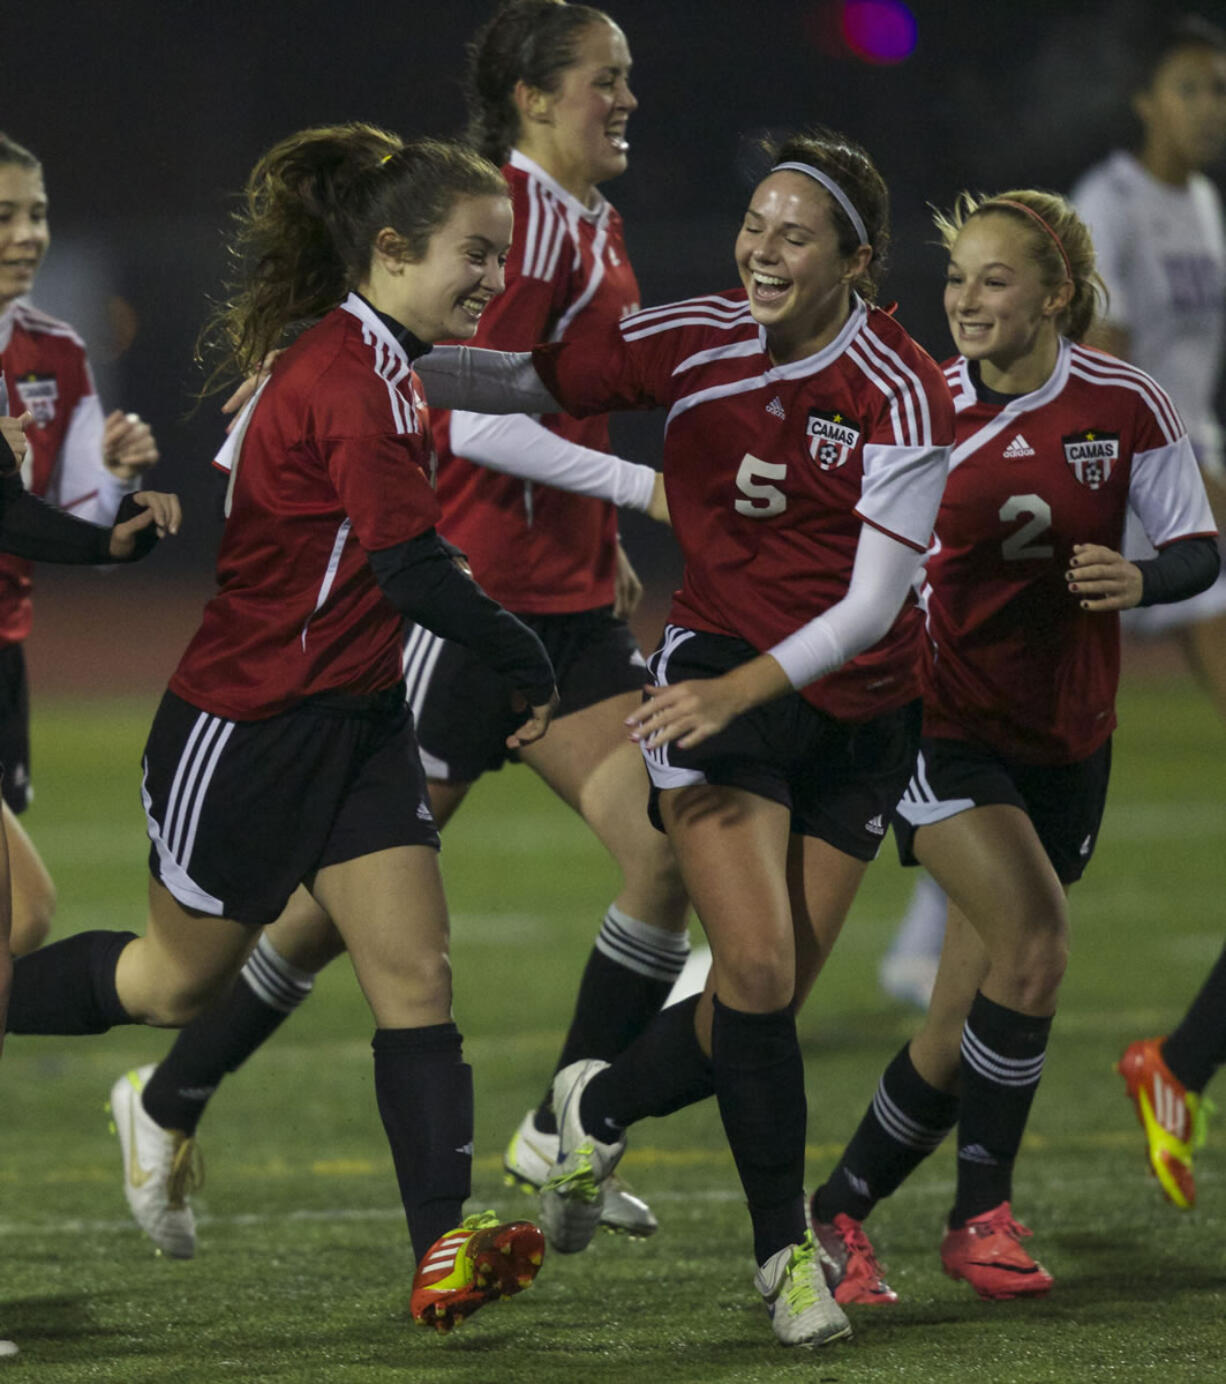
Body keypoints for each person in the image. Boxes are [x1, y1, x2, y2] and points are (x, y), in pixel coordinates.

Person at [109, 0, 685, 1263]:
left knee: (653, 859)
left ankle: (554, 1129)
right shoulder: (507, 222)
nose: (625, 99)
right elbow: (455, 408)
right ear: (533, 96)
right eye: (605, 78)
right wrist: (640, 492)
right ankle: (170, 1091)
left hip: (556, 599)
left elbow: (541, 400)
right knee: (330, 915)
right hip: (453, 609)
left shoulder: (588, 219)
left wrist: (601, 549)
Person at [4, 123, 565, 1335]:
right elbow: (412, 569)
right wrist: (521, 654)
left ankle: (443, 1252)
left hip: (357, 719)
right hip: (246, 729)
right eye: (475, 252)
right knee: (168, 984)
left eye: (501, 255)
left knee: (416, 975)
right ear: (393, 249)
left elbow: (510, 422)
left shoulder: (393, 357)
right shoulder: (347, 376)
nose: (492, 277)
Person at [420, 125, 955, 1347]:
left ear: (854, 262)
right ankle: (785, 1260)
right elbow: (516, 382)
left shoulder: (900, 387)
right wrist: (360, 359)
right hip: (713, 679)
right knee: (754, 976)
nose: (760, 250)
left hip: (858, 710)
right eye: (753, 224)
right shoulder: (692, 337)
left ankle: (589, 1104)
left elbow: (873, 604)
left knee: (752, 1013)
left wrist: (754, 689)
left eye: (793, 234)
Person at [805, 189, 1219, 1308]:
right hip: (940, 726)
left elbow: (1195, 549)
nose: (967, 301)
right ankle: (976, 1215)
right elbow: (842, 558)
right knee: (1034, 943)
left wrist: (1138, 578)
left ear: (1056, 297)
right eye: (956, 281)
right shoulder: (920, 408)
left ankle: (837, 1208)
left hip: (1067, 741)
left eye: (993, 280)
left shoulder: (1125, 404)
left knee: (960, 1021)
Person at [0, 131, 160, 957]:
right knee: (21, 913)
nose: (28, 234)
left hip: (7, 646)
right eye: (5, 216)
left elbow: (76, 520)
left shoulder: (55, 352)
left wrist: (109, 484)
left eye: (38, 214)